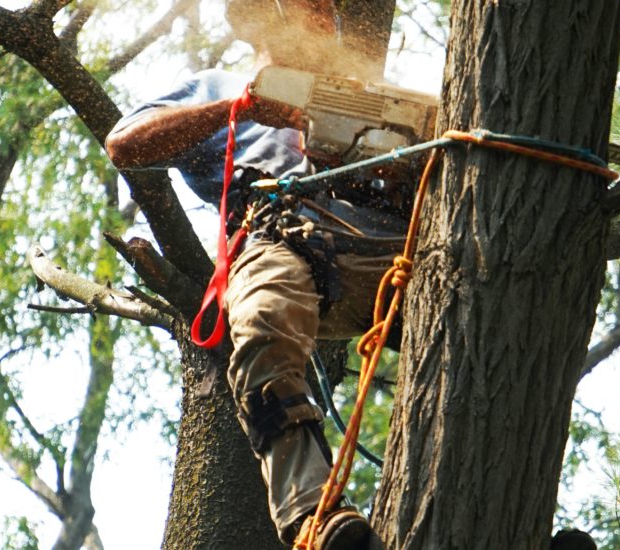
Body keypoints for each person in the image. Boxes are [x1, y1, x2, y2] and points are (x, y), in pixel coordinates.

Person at [105, 1, 411, 548]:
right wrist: (242, 108)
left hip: (387, 245)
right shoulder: (215, 88)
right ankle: (314, 518)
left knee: (484, 305)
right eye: (306, 5)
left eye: (325, 9)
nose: (319, 16)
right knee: (263, 320)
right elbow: (125, 145)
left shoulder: (361, 91)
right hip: (281, 235)